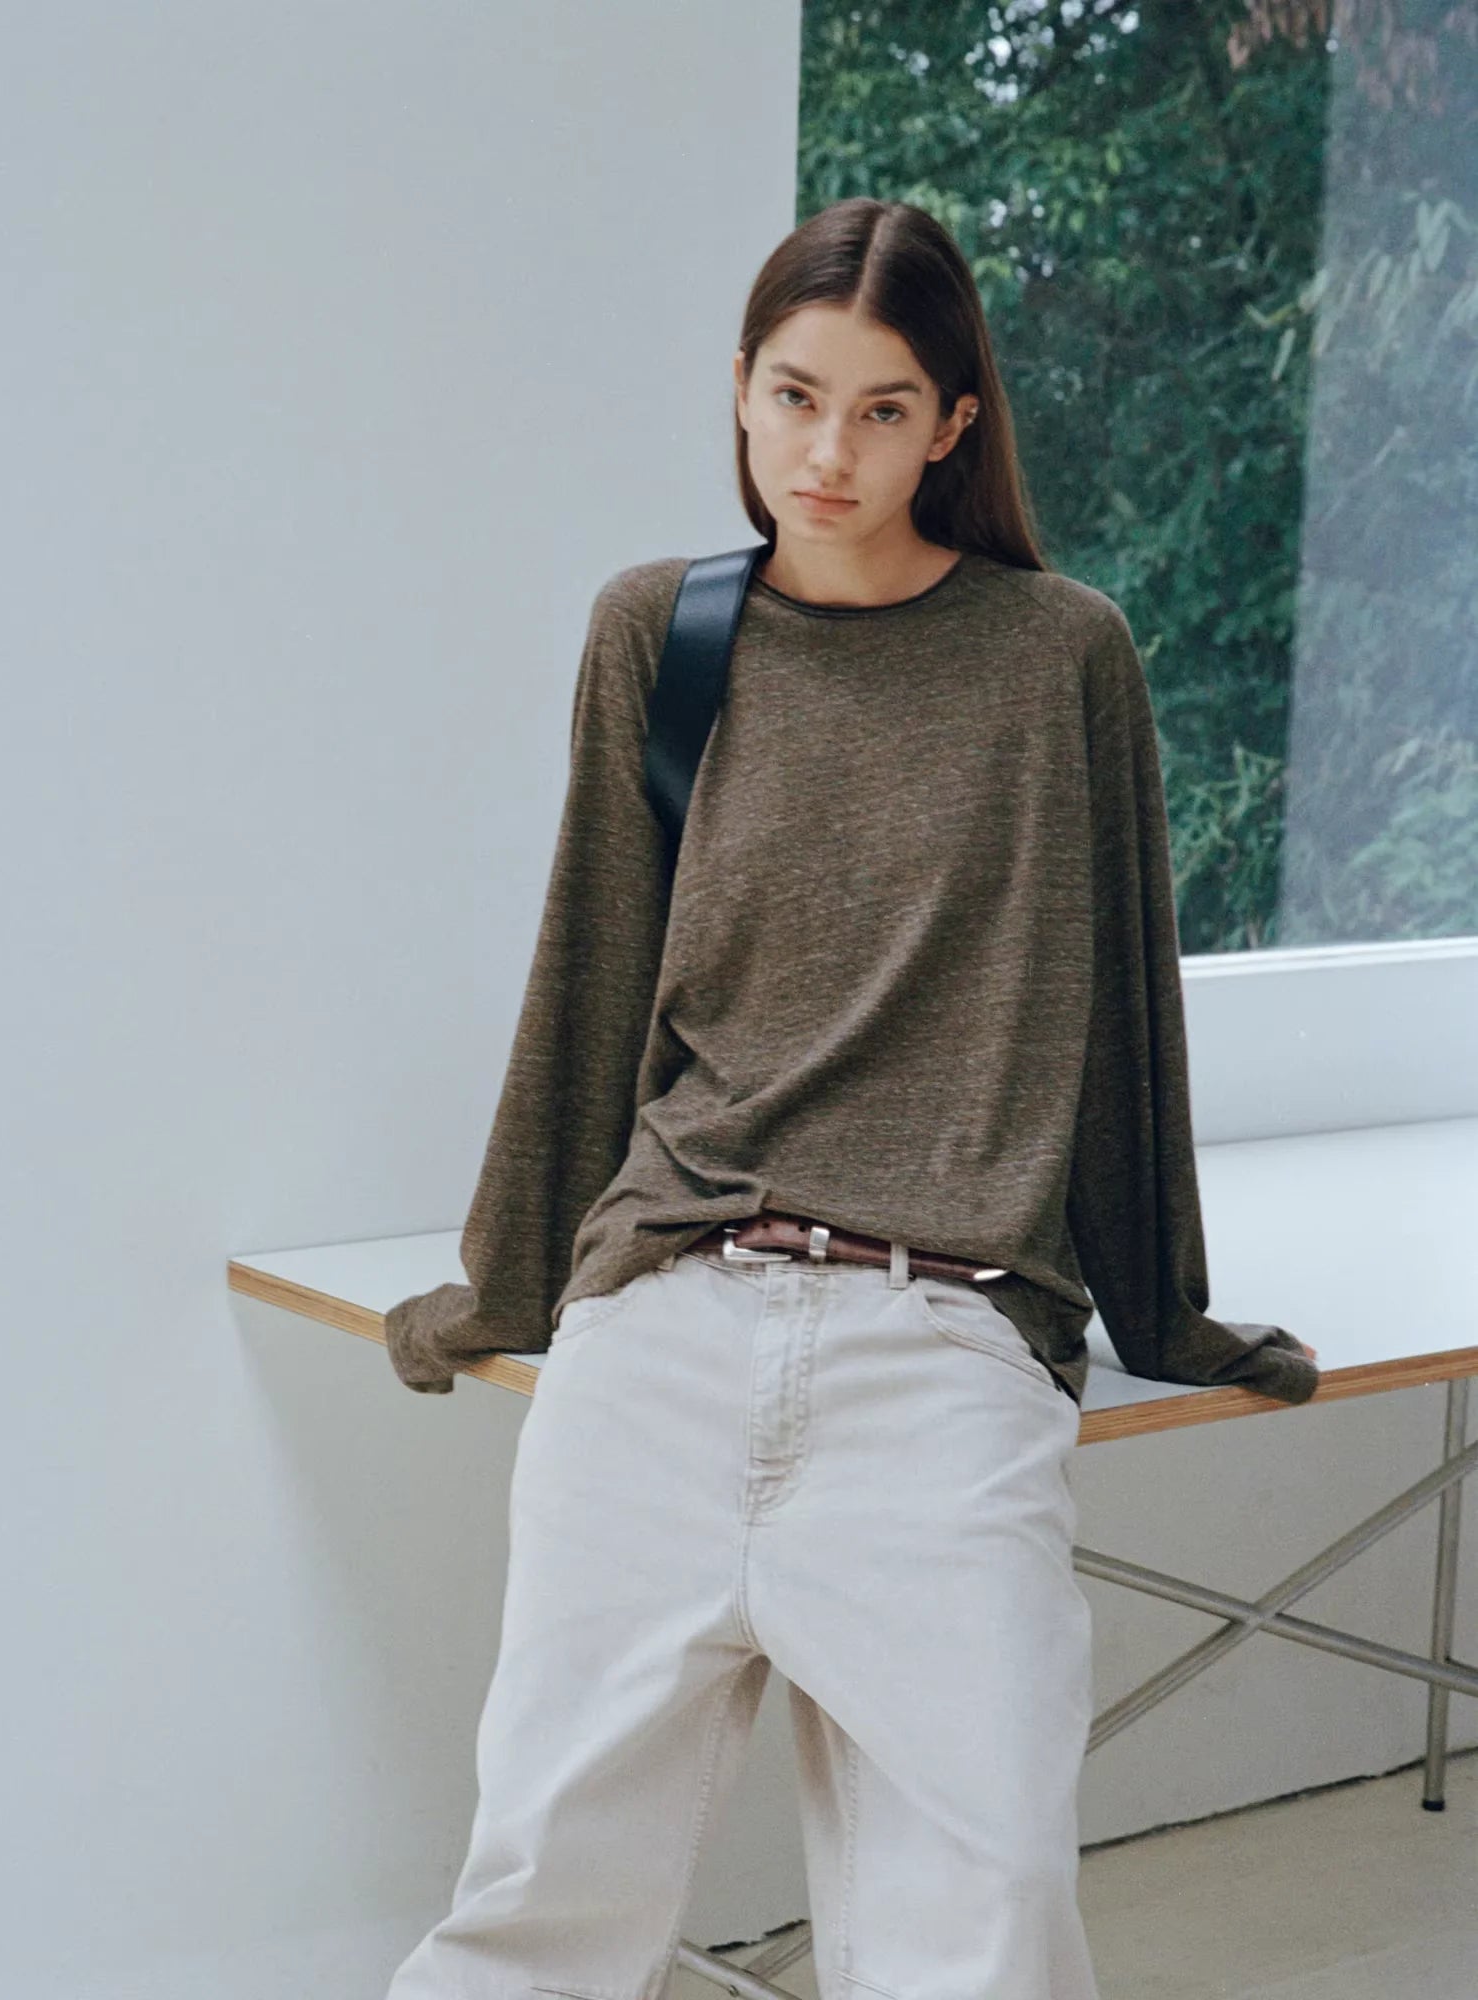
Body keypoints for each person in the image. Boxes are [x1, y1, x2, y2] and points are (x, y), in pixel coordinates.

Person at [382, 197, 1320, 2000]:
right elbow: (590, 978)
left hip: (943, 1343)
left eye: (884, 409)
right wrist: (507, 1292)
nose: (829, 452)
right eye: (797, 397)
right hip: (667, 1323)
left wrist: (1169, 1315)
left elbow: (1121, 1010)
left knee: (986, 1925)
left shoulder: (1062, 656)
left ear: (954, 424)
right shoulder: (662, 635)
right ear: (740, 388)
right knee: (539, 1914)